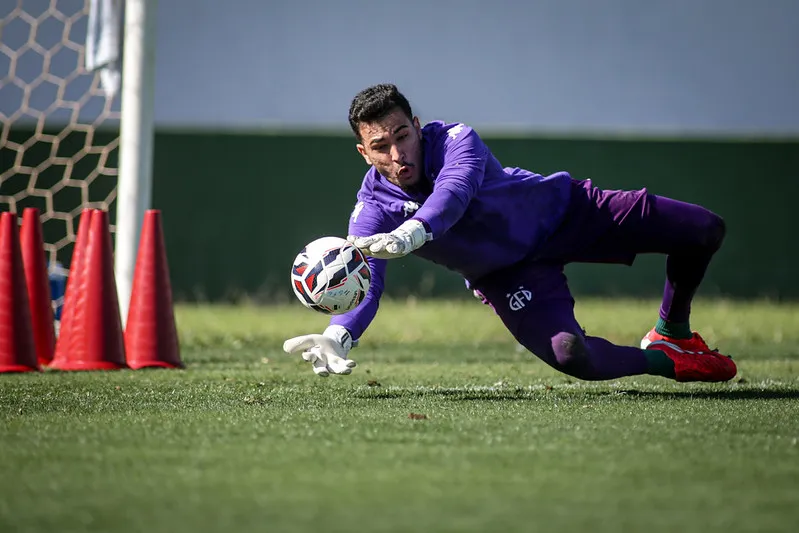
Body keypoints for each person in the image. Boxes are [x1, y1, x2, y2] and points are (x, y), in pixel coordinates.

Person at [283, 83, 736, 383]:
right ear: (364, 153)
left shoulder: (457, 139)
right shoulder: (372, 210)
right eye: (381, 146)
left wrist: (414, 233)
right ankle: (665, 359)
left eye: (403, 135)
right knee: (571, 355)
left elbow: (454, 193)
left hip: (566, 212)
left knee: (703, 229)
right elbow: (367, 283)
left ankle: (671, 329)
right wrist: (338, 334)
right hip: (507, 275)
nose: (398, 153)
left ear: (417, 127)